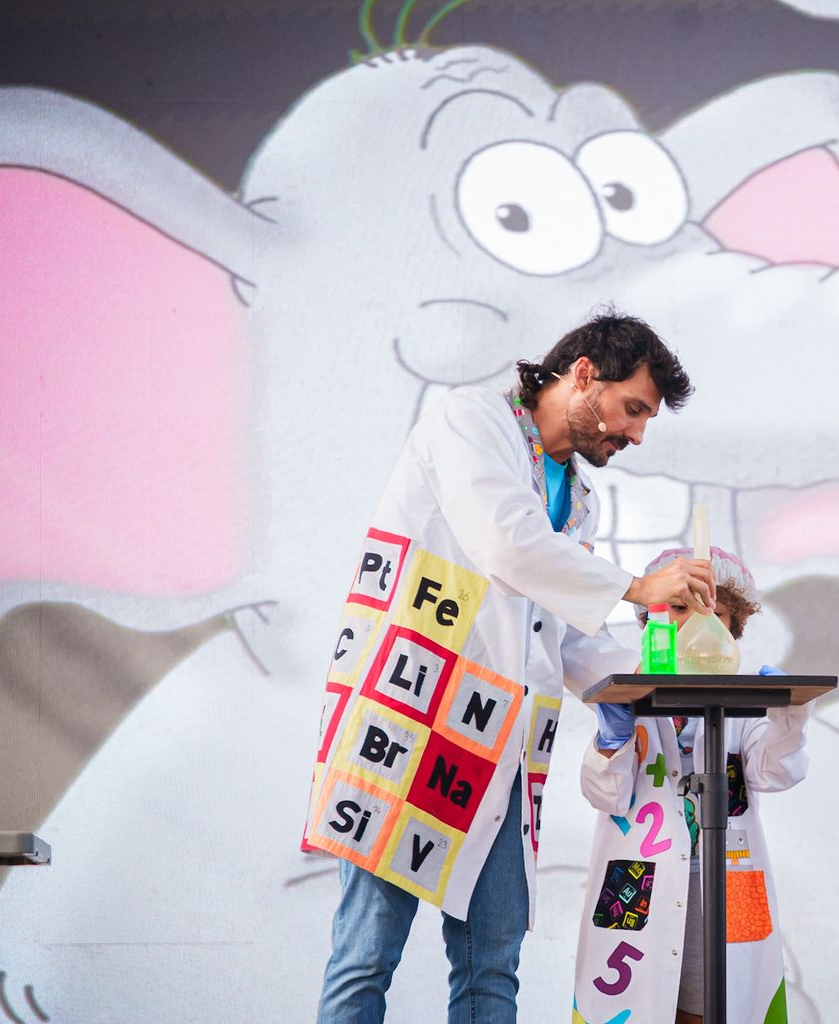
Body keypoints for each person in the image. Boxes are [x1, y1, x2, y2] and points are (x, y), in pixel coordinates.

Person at [307, 312, 718, 1024]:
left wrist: (665, 685)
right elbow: (506, 544)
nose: (637, 435)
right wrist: (634, 585)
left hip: (498, 745)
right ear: (583, 373)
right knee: (368, 954)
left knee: (490, 965)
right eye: (633, 410)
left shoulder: (579, 498)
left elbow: (558, 636)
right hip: (407, 724)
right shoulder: (470, 418)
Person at [573, 547, 810, 1024]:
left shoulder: (741, 705)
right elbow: (606, 794)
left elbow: (774, 771)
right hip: (639, 882)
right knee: (644, 1005)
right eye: (679, 607)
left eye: (713, 613)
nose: (693, 624)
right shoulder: (629, 693)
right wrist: (611, 741)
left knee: (715, 1007)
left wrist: (789, 718)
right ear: (652, 617)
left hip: (724, 882)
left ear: (732, 627)